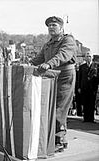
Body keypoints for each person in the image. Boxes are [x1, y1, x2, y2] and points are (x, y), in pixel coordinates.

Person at [30, 16, 77, 153]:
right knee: (50, 107)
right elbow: (39, 58)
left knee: (59, 108)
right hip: (51, 76)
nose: (51, 27)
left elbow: (63, 55)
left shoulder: (68, 40)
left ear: (61, 28)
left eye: (54, 25)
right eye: (49, 25)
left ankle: (59, 140)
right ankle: (56, 138)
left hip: (64, 75)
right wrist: (27, 64)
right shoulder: (48, 44)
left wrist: (49, 64)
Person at [78, 52, 99, 123]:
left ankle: (91, 119)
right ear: (85, 58)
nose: (88, 57)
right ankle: (86, 118)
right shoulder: (82, 67)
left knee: (92, 103)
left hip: (93, 88)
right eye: (87, 56)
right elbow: (79, 78)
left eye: (89, 56)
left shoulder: (95, 66)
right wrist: (79, 87)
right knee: (85, 103)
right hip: (84, 87)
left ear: (91, 57)